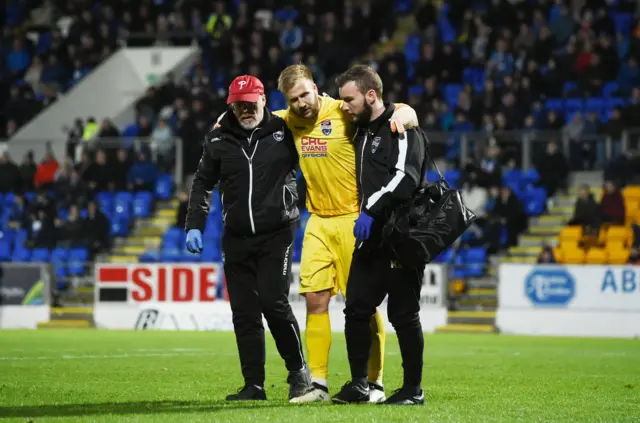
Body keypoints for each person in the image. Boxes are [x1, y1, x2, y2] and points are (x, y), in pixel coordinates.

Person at [273, 64, 419, 403]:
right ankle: (319, 385)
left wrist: (407, 113)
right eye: (294, 99)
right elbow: (252, 116)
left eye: (306, 94)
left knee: (363, 307)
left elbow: (390, 108)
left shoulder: (342, 111)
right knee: (314, 301)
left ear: (316, 87)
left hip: (354, 218)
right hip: (318, 222)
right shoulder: (287, 120)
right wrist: (226, 118)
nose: (301, 104)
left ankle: (375, 383)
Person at [185, 75, 313, 403]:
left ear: (263, 100)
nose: (245, 110)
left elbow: (323, 115)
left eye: (250, 103)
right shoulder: (217, 140)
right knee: (243, 313)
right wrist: (194, 224)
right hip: (237, 237)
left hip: (278, 233)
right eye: (238, 105)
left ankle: (299, 374)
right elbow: (202, 183)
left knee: (274, 303)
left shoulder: (286, 129)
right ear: (231, 105)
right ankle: (253, 386)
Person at [331, 65, 428, 405]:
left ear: (370, 95)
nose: (344, 106)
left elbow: (407, 178)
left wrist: (370, 208)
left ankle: (413, 390)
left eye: (349, 99)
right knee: (356, 308)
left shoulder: (400, 126)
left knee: (404, 315)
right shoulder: (360, 130)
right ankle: (360, 384)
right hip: (371, 239)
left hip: (402, 236)